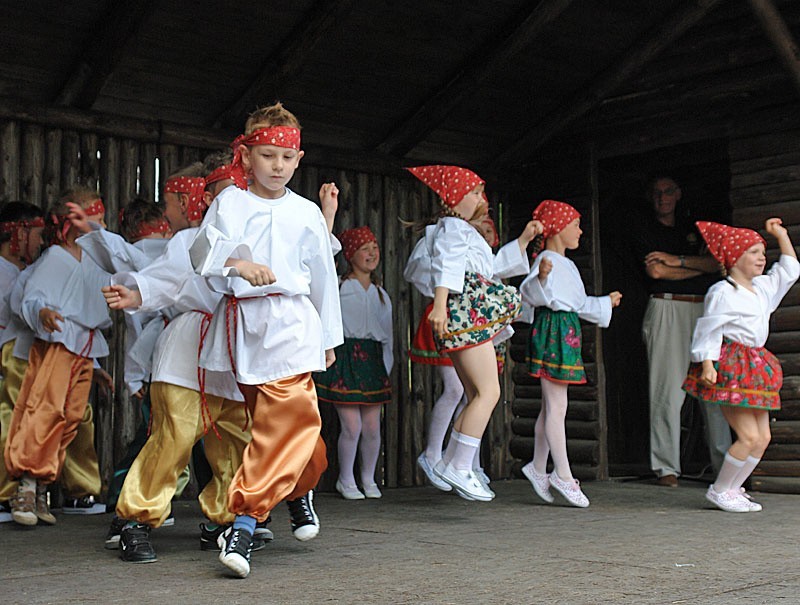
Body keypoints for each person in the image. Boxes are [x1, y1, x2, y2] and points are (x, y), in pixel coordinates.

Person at [189, 102, 342, 578]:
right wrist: (237, 265)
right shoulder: (231, 202)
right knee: (295, 437)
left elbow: (323, 276)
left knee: (286, 423)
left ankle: (244, 523)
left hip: (294, 325)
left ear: (299, 160)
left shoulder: (307, 212)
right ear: (248, 155)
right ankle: (298, 490)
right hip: (247, 327)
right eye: (268, 155)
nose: (277, 165)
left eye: (286, 157)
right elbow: (203, 251)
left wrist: (328, 336)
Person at [100, 162, 254, 562]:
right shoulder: (190, 238)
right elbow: (168, 279)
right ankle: (136, 520)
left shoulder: (259, 239)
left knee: (235, 444)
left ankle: (225, 521)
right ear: (204, 198)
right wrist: (138, 294)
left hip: (234, 357)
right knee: (174, 438)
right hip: (188, 351)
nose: (228, 200)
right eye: (219, 192)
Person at [405, 165, 531, 502]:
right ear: (454, 198)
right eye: (474, 192)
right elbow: (447, 266)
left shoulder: (458, 229)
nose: (480, 198)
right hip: (467, 311)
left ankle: (451, 462)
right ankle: (459, 465)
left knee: (478, 391)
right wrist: (441, 305)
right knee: (488, 392)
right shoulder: (455, 228)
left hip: (467, 310)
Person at [4, 187, 112, 527]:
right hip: (56, 345)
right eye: (96, 219)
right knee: (43, 413)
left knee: (71, 417)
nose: (102, 225)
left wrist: (94, 365)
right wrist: (44, 313)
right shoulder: (54, 258)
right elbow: (29, 298)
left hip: (82, 348)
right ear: (72, 223)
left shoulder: (96, 261)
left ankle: (40, 488)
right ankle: (26, 485)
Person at [683, 219, 798, 512]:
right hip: (733, 364)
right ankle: (720, 489)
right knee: (748, 436)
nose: (762, 258)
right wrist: (707, 363)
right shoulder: (722, 292)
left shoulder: (761, 288)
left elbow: (789, 270)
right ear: (735, 258)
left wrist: (781, 235)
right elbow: (708, 329)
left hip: (755, 363)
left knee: (763, 437)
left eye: (762, 252)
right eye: (754, 252)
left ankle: (733, 488)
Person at [519, 200, 622, 507]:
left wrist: (604, 303)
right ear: (557, 229)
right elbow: (530, 292)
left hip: (565, 332)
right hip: (554, 333)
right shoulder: (546, 260)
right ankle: (562, 473)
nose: (580, 230)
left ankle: (538, 467)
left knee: (551, 406)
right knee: (556, 406)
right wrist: (540, 278)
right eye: (574, 224)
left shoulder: (567, 263)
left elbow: (575, 302)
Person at [632, 176, 732, 487]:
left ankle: (725, 468)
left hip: (704, 307)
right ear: (650, 196)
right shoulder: (643, 226)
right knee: (667, 389)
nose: (663, 197)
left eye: (668, 191)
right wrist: (696, 266)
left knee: (712, 386)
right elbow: (656, 271)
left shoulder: (694, 225)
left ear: (679, 194)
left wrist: (678, 260)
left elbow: (718, 264)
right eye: (657, 192)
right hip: (667, 305)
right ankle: (667, 469)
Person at [315, 226, 393, 500]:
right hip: (346, 358)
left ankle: (368, 479)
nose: (372, 253)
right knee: (352, 426)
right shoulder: (339, 287)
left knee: (372, 427)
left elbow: (388, 337)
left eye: (374, 246)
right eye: (364, 248)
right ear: (350, 255)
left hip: (372, 361)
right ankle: (346, 479)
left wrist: (386, 367)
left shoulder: (381, 294)